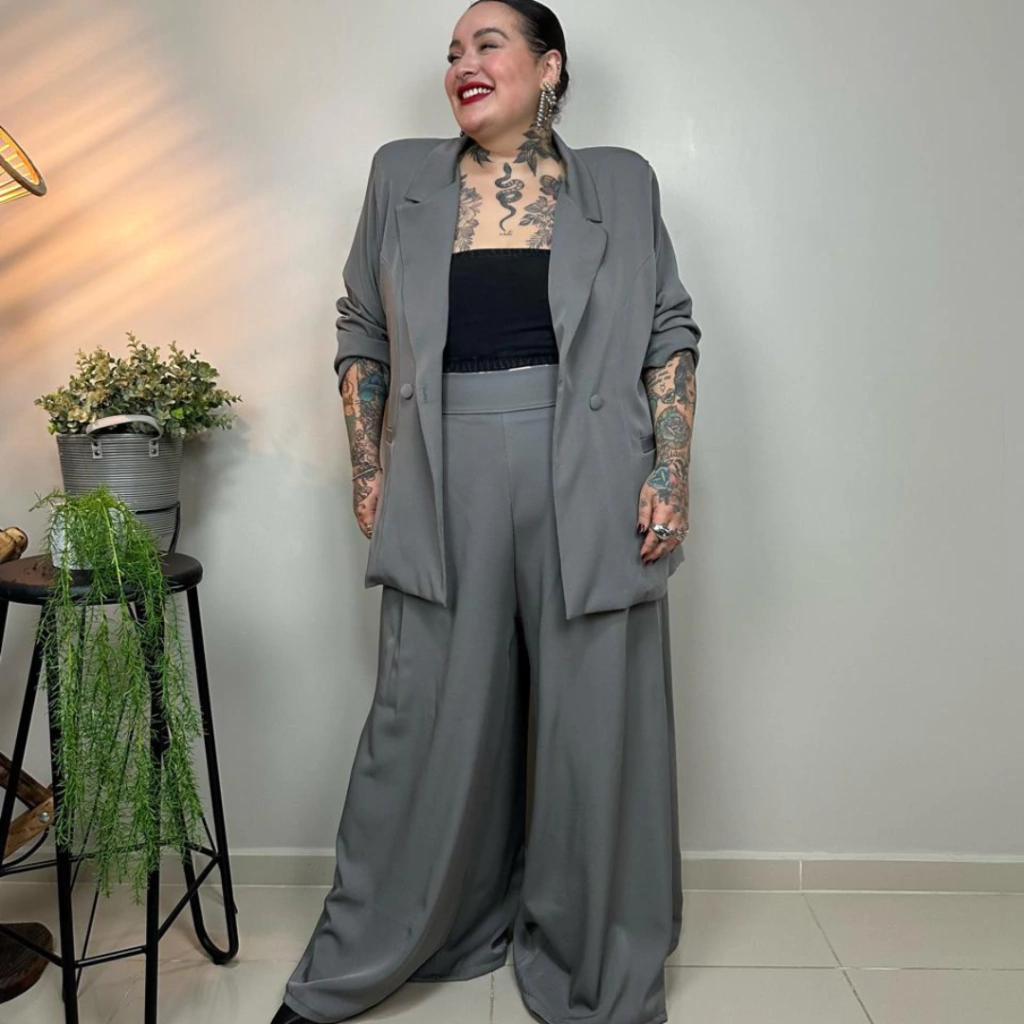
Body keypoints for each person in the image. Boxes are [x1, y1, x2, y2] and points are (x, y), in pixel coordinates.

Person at [272, 2, 700, 1022]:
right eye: (452, 52)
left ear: (548, 66)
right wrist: (368, 466)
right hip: (441, 467)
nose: (462, 63)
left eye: (486, 44)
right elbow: (362, 329)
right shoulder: (400, 178)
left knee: (593, 723)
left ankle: (594, 964)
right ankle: (376, 947)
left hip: (590, 470)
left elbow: (668, 330)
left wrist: (670, 469)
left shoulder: (622, 182)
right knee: (423, 717)